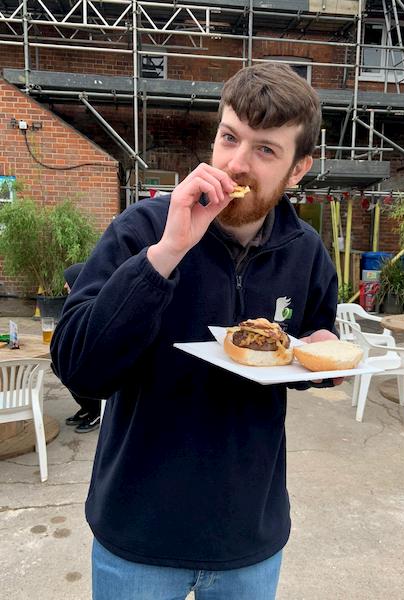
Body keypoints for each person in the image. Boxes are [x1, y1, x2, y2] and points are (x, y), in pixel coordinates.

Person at [51, 63, 342, 600]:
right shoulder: (140, 229)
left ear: (298, 170)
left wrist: (322, 365)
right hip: (136, 535)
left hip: (248, 538)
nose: (236, 163)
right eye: (229, 138)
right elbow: (78, 367)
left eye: (265, 150)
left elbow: (302, 358)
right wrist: (166, 254)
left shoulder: (306, 255)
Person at [62, 262, 102, 433]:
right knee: (60, 367)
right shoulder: (73, 304)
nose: (65, 286)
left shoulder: (92, 307)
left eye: (68, 281)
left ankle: (96, 411)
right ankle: (87, 406)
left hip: (95, 361)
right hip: (83, 356)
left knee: (73, 370)